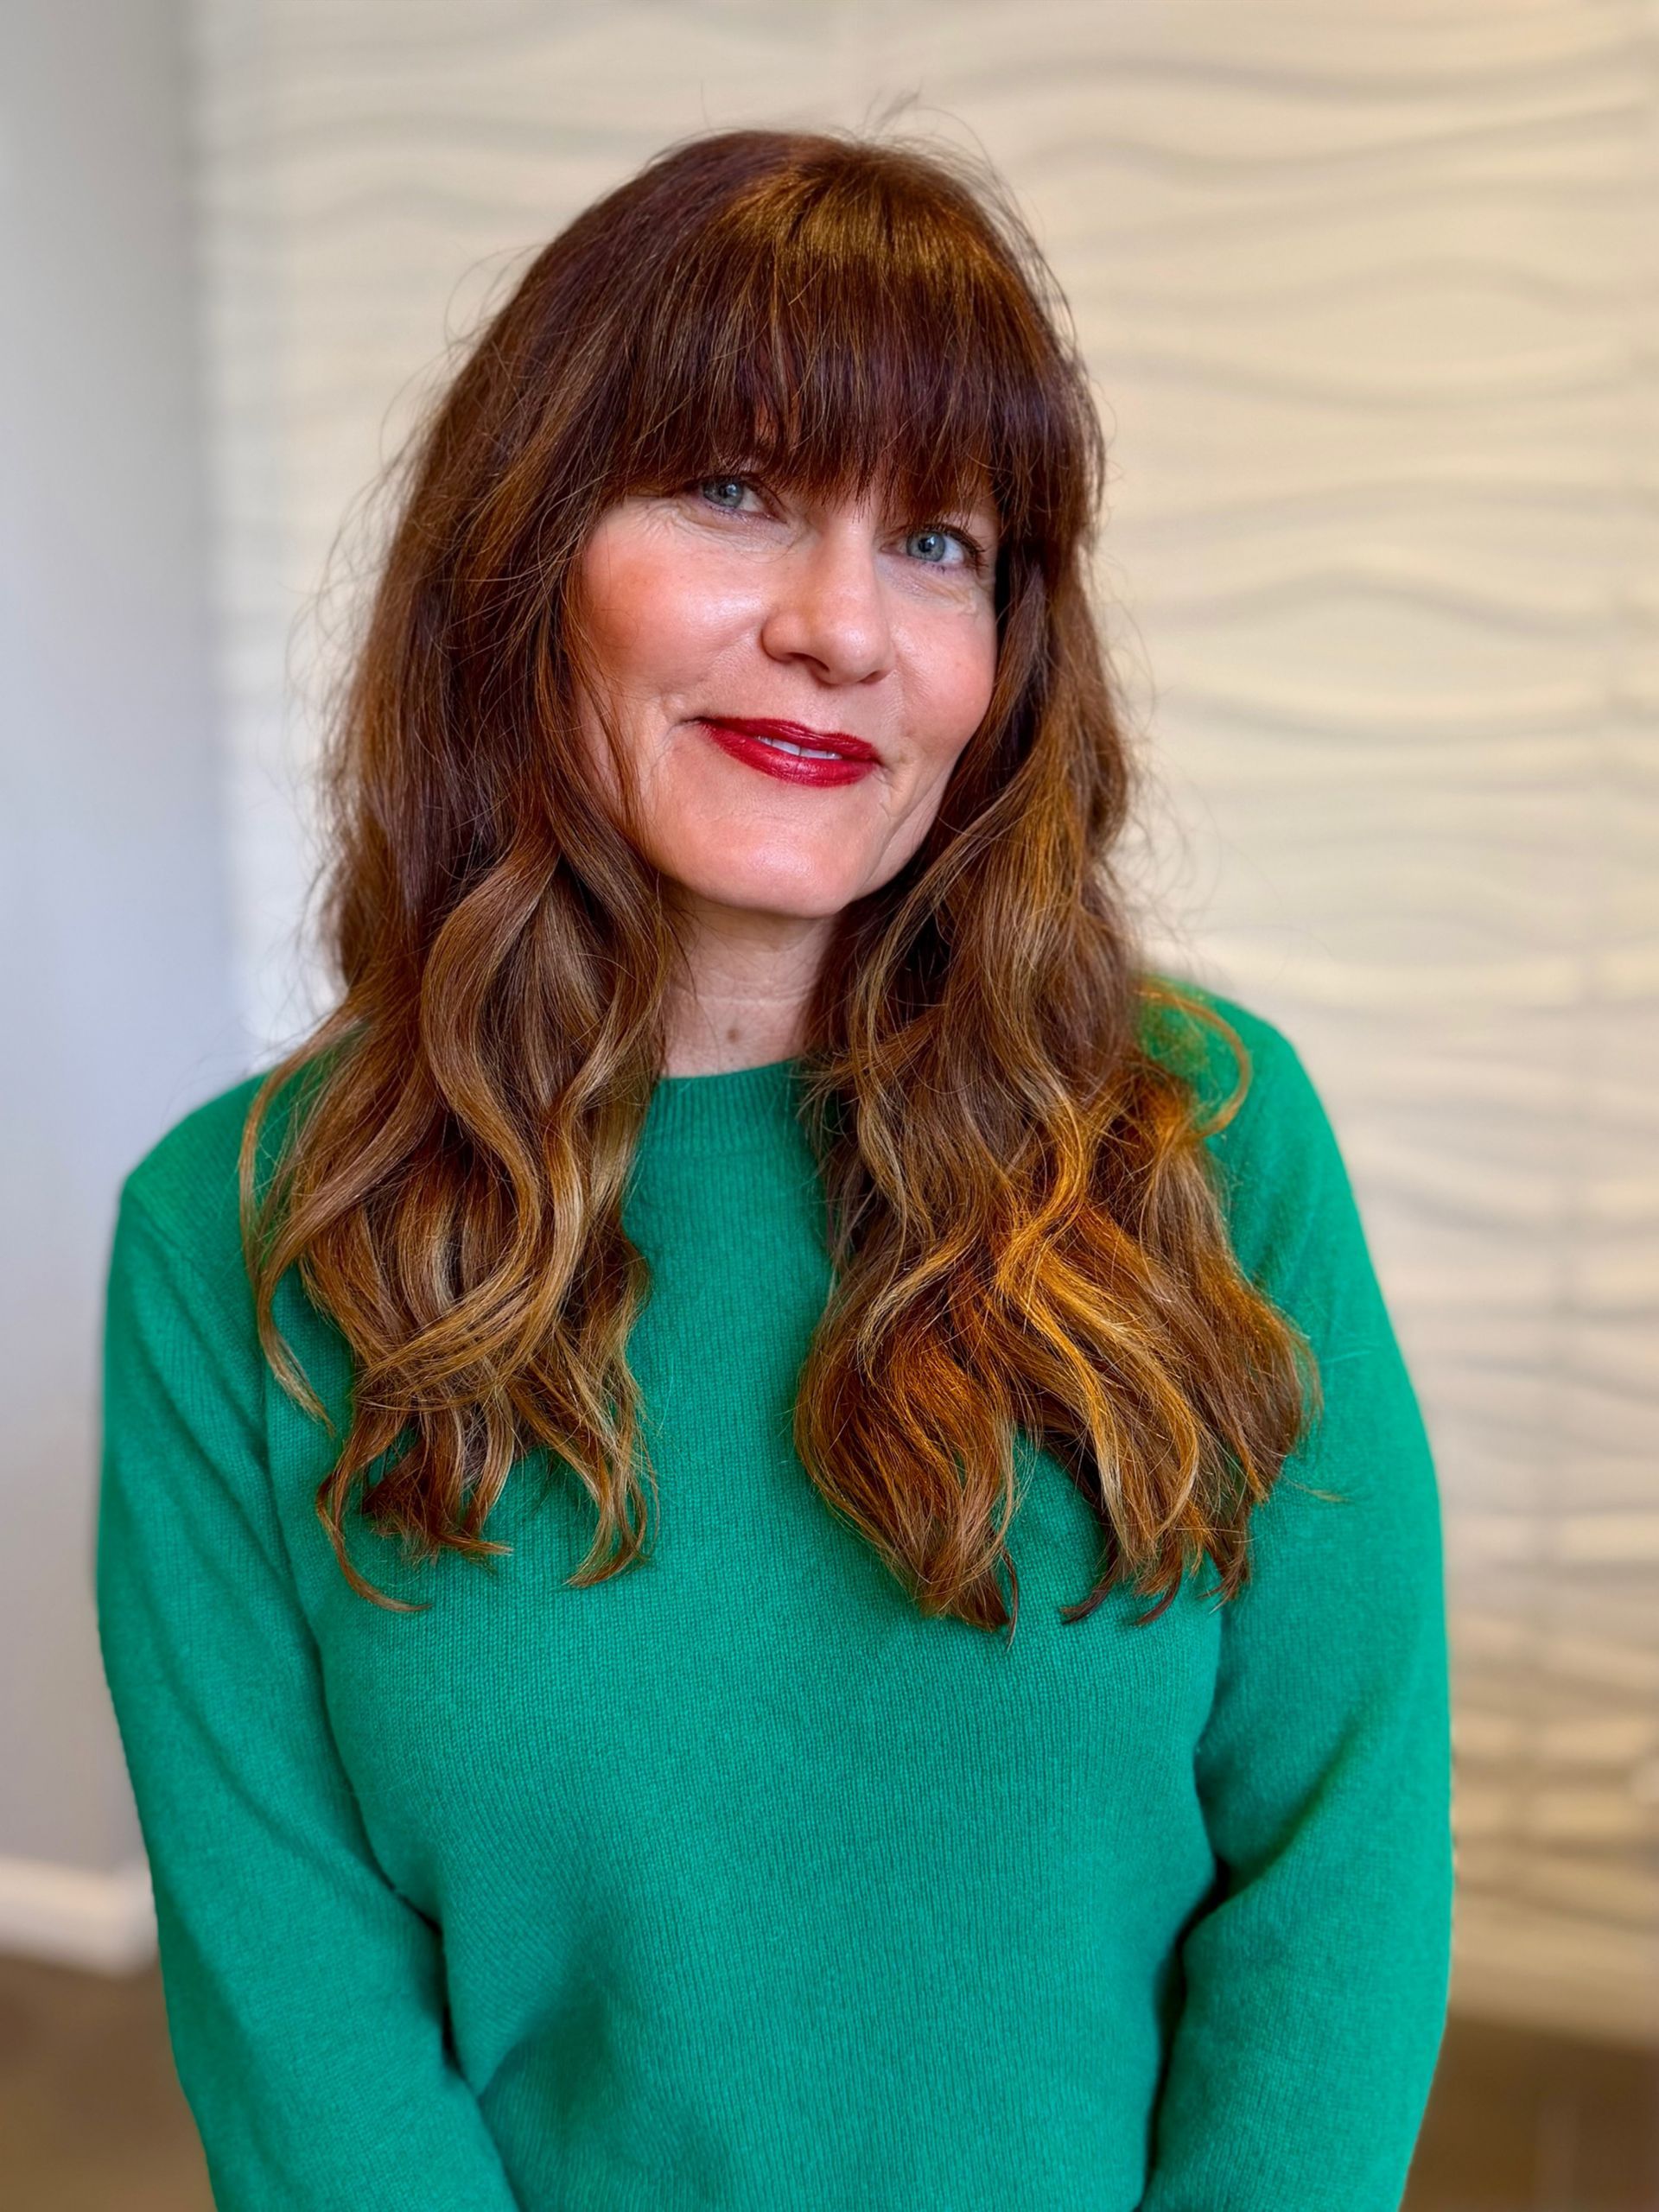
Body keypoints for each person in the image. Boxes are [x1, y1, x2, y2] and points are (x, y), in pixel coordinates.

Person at [95, 124, 1453, 2211]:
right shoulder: (228, 1239)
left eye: (944, 543)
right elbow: (299, 2020)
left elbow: (1338, 1882)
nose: (846, 627)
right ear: (526, 550)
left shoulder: (1211, 1136)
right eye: (738, 489)